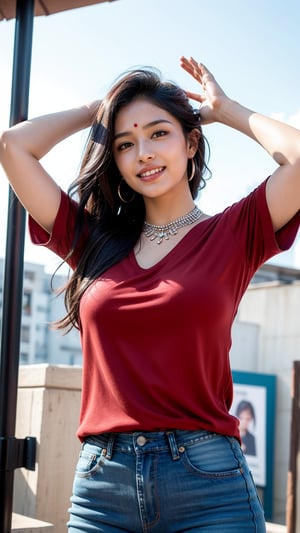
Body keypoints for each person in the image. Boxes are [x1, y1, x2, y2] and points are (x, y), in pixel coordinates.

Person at [0, 56, 299, 532]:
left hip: (209, 484)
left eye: (159, 133)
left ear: (191, 141)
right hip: (102, 489)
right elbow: (13, 146)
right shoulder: (91, 239)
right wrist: (97, 110)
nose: (143, 152)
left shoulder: (234, 232)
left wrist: (228, 109)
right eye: (125, 143)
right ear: (115, 159)